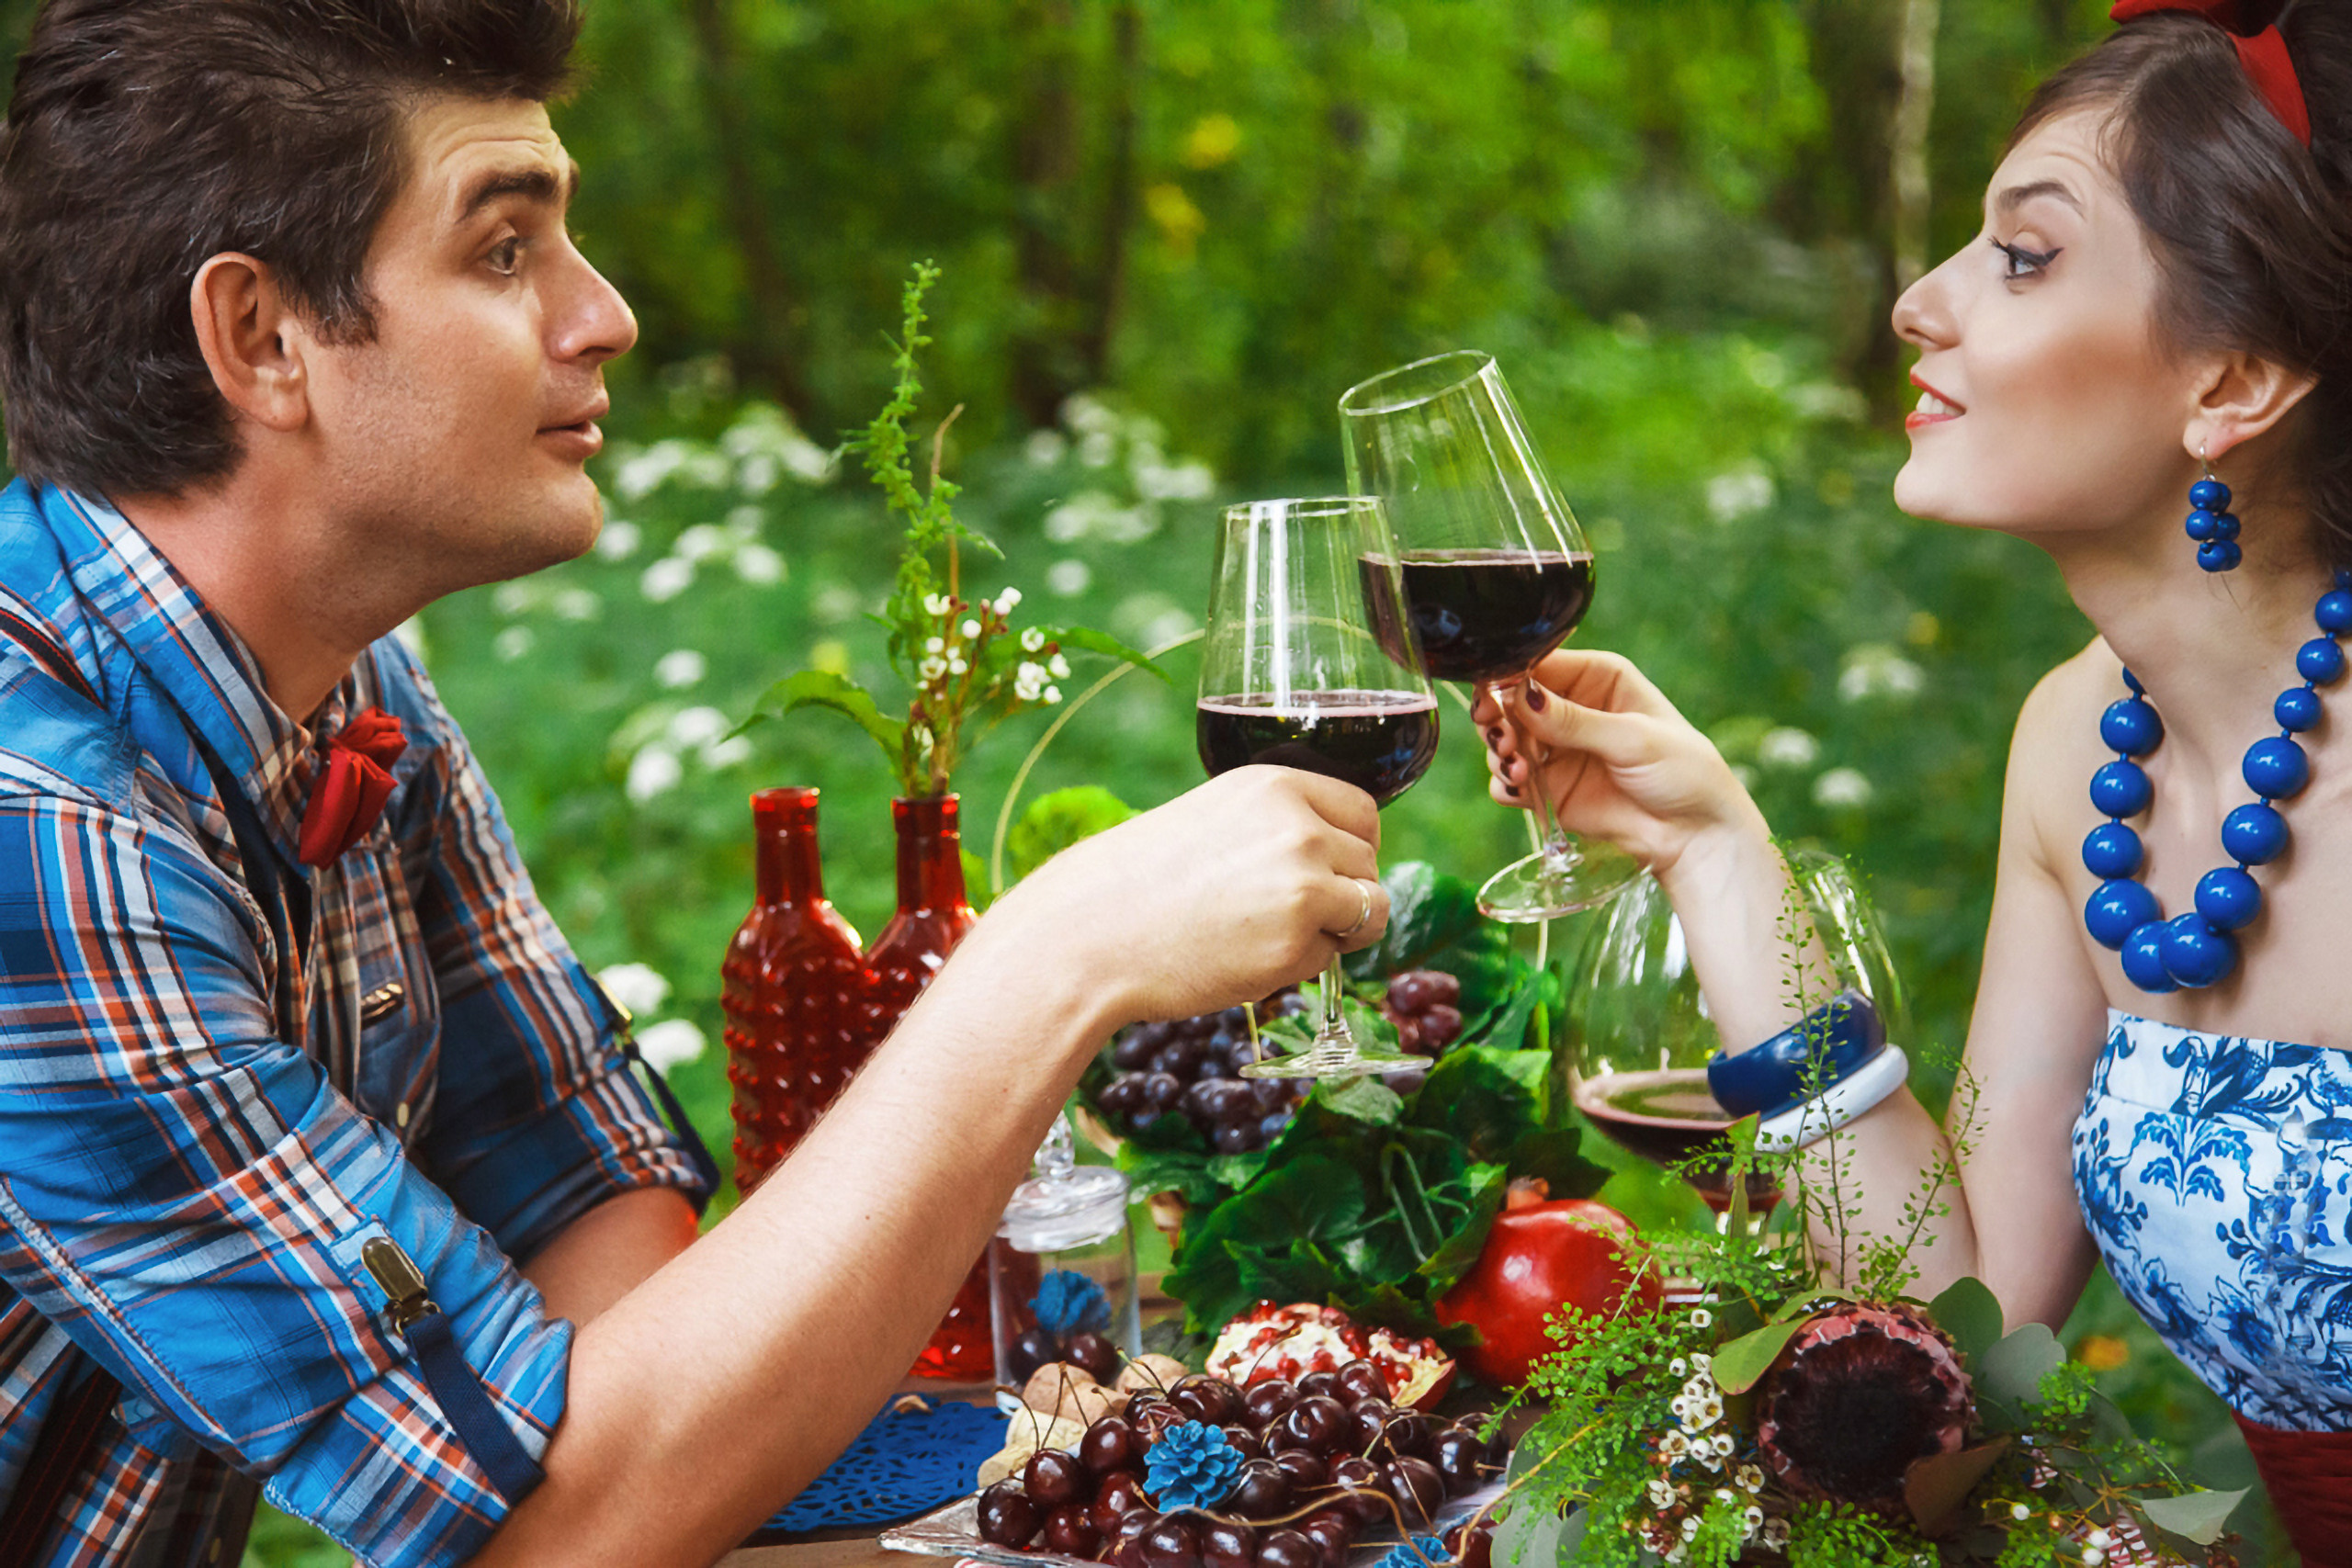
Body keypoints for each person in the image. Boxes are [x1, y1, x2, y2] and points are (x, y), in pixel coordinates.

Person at [0, 3, 1394, 1564]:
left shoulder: (351, 688)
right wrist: (1047, 967)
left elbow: (588, 1221)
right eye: (505, 249)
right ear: (262, 340)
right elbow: (560, 1535)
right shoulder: (35, 824)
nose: (605, 317)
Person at [1477, 0, 2352, 1556]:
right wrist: (1720, 859)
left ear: (2231, 380)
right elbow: (1955, 1353)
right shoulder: (2079, 746)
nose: (1914, 302)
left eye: (2024, 257)